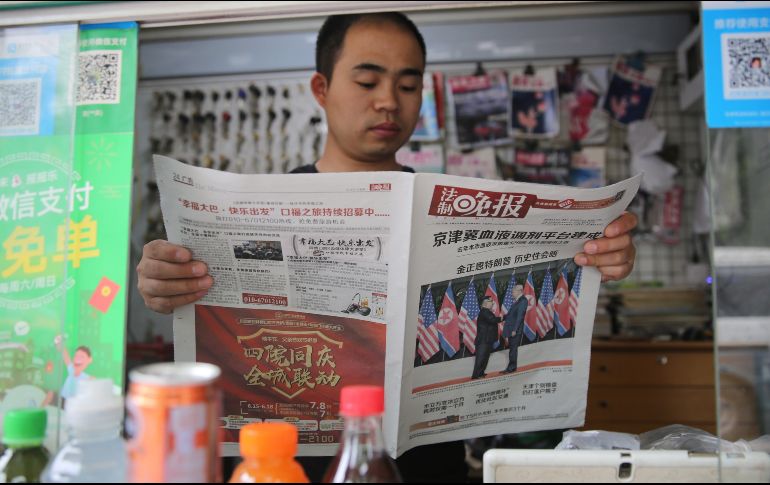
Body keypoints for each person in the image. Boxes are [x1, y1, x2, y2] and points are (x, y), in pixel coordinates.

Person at [135, 12, 638, 482]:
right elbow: (194, 301)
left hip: (427, 468)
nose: (388, 102)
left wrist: (599, 258)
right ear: (322, 87)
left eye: (408, 83)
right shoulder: (252, 213)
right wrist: (167, 281)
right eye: (367, 81)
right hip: (288, 468)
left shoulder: (449, 211)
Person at [54, 335, 93, 405]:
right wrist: (58, 340)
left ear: (89, 360)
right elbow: (64, 352)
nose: (78, 359)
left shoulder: (88, 378)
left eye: (82, 357)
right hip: (62, 401)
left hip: (74, 404)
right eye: (76, 356)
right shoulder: (71, 369)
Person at [471, 296, 503, 380]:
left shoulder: (487, 311)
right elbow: (492, 320)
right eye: (491, 301)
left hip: (487, 339)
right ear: (485, 303)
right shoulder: (484, 312)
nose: (492, 303)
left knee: (485, 357)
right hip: (483, 340)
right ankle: (476, 375)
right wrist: (503, 317)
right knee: (481, 358)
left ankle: (481, 373)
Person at [501, 285, 527, 374]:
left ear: (519, 291)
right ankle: (511, 367)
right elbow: (510, 315)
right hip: (511, 329)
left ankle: (511, 368)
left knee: (513, 349)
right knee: (512, 349)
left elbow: (520, 317)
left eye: (513, 292)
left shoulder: (523, 301)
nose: (512, 293)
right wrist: (501, 318)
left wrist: (515, 330)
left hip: (515, 330)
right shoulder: (517, 301)